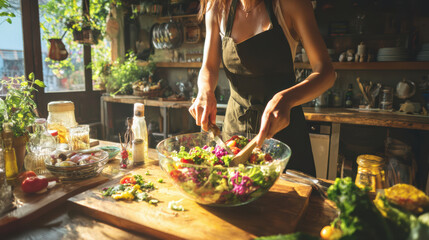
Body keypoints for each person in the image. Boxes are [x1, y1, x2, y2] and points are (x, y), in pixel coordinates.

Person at [188, 0, 335, 176]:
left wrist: (286, 99)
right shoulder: (217, 6)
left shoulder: (291, 5)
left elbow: (326, 72)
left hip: (283, 131)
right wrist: (205, 91)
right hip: (235, 129)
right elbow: (209, 67)